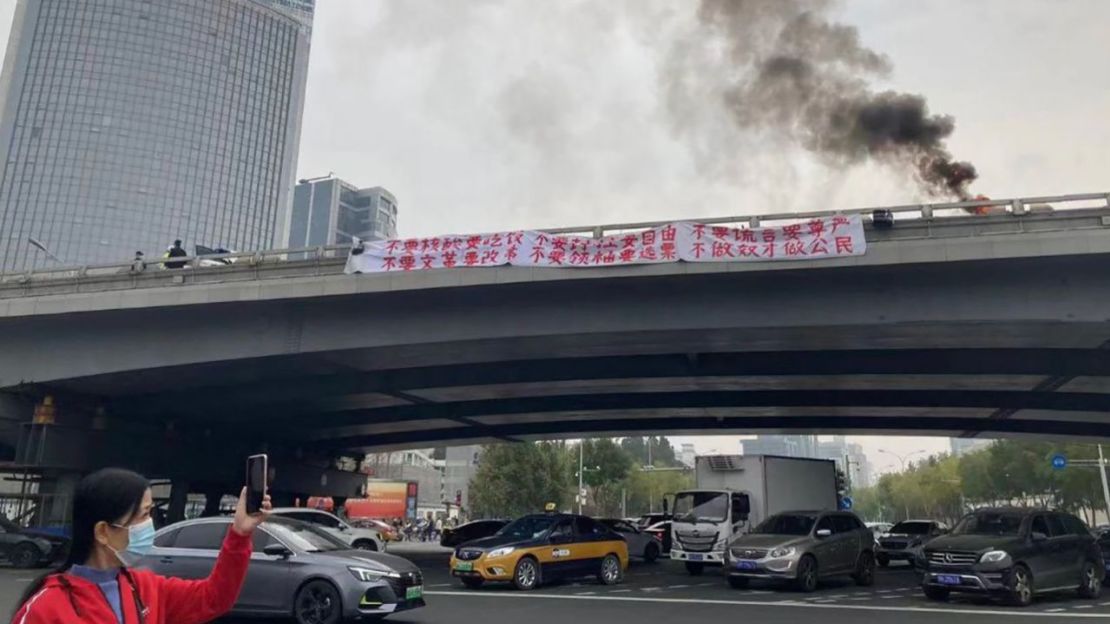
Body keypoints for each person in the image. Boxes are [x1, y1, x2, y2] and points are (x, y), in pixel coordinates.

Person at [10, 467, 270, 624]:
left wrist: (239, 534)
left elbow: (215, 598)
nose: (150, 525)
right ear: (102, 531)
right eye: (143, 515)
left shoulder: (145, 587)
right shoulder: (46, 608)